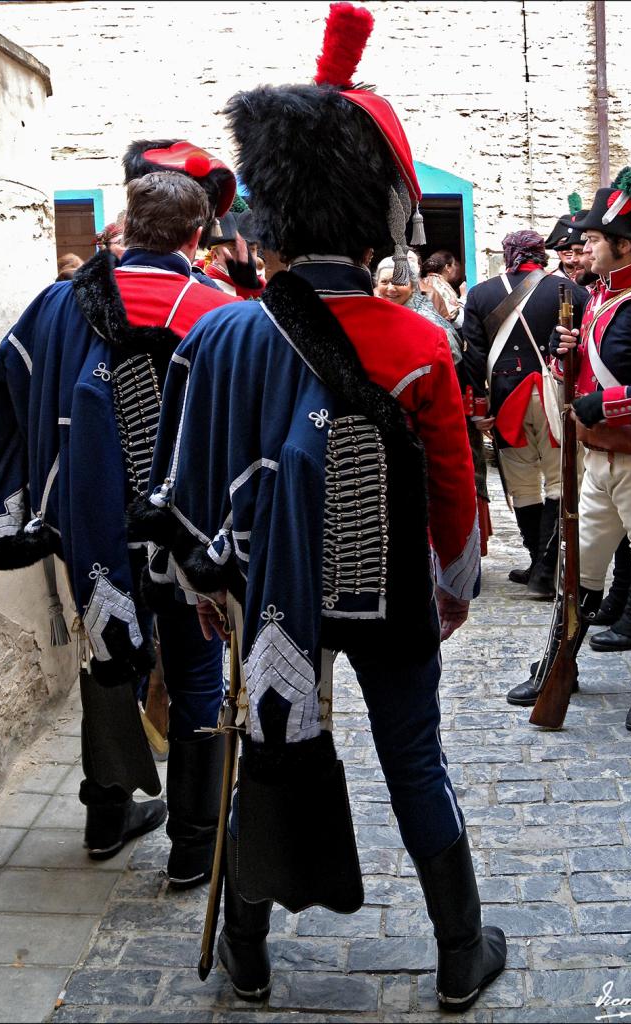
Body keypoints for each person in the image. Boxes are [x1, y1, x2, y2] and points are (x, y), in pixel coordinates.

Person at [138, 1, 505, 1010]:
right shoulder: (417, 343)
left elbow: (187, 482)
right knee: (414, 761)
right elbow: (453, 496)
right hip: (386, 589)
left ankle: (249, 952)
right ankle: (459, 952)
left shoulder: (220, 334)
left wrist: (206, 589)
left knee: (266, 753)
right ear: (374, 220)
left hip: (264, 592)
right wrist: (453, 586)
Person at [0, 146, 244, 881]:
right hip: (182, 533)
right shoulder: (221, 312)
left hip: (91, 525)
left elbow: (8, 382)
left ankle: (106, 819)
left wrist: (29, 493)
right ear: (196, 236)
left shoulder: (58, 305)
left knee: (108, 660)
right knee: (197, 673)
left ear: (127, 224)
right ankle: (193, 847)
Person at [507, 152, 631, 731]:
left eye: (594, 239)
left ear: (625, 245)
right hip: (598, 458)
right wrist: (567, 360)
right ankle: (557, 665)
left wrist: (610, 402)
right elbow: (590, 376)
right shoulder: (601, 300)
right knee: (580, 568)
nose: (584, 247)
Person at [462, 230, 588, 599]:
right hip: (555, 396)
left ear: (508, 254)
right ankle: (544, 571)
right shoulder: (570, 291)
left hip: (505, 399)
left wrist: (479, 407)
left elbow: (473, 356)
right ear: (541, 254)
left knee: (522, 484)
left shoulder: (480, 294)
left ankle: (538, 562)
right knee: (559, 480)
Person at [375, 252, 493, 554]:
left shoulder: (429, 323)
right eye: (384, 282)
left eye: (399, 282)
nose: (390, 288)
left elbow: (448, 373)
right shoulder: (378, 317)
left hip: (428, 420)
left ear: (414, 285)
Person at [421, 249, 466, 324]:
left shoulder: (423, 282)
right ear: (448, 267)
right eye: (454, 265)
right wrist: (463, 297)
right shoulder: (441, 286)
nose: (456, 268)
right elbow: (456, 320)